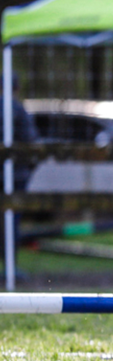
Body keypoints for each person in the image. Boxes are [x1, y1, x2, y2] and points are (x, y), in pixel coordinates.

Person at [0, 72, 39, 265]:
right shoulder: (18, 109)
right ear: (16, 87)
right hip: (16, 175)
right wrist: (29, 168)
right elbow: (31, 143)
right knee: (12, 220)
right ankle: (10, 266)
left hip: (14, 173)